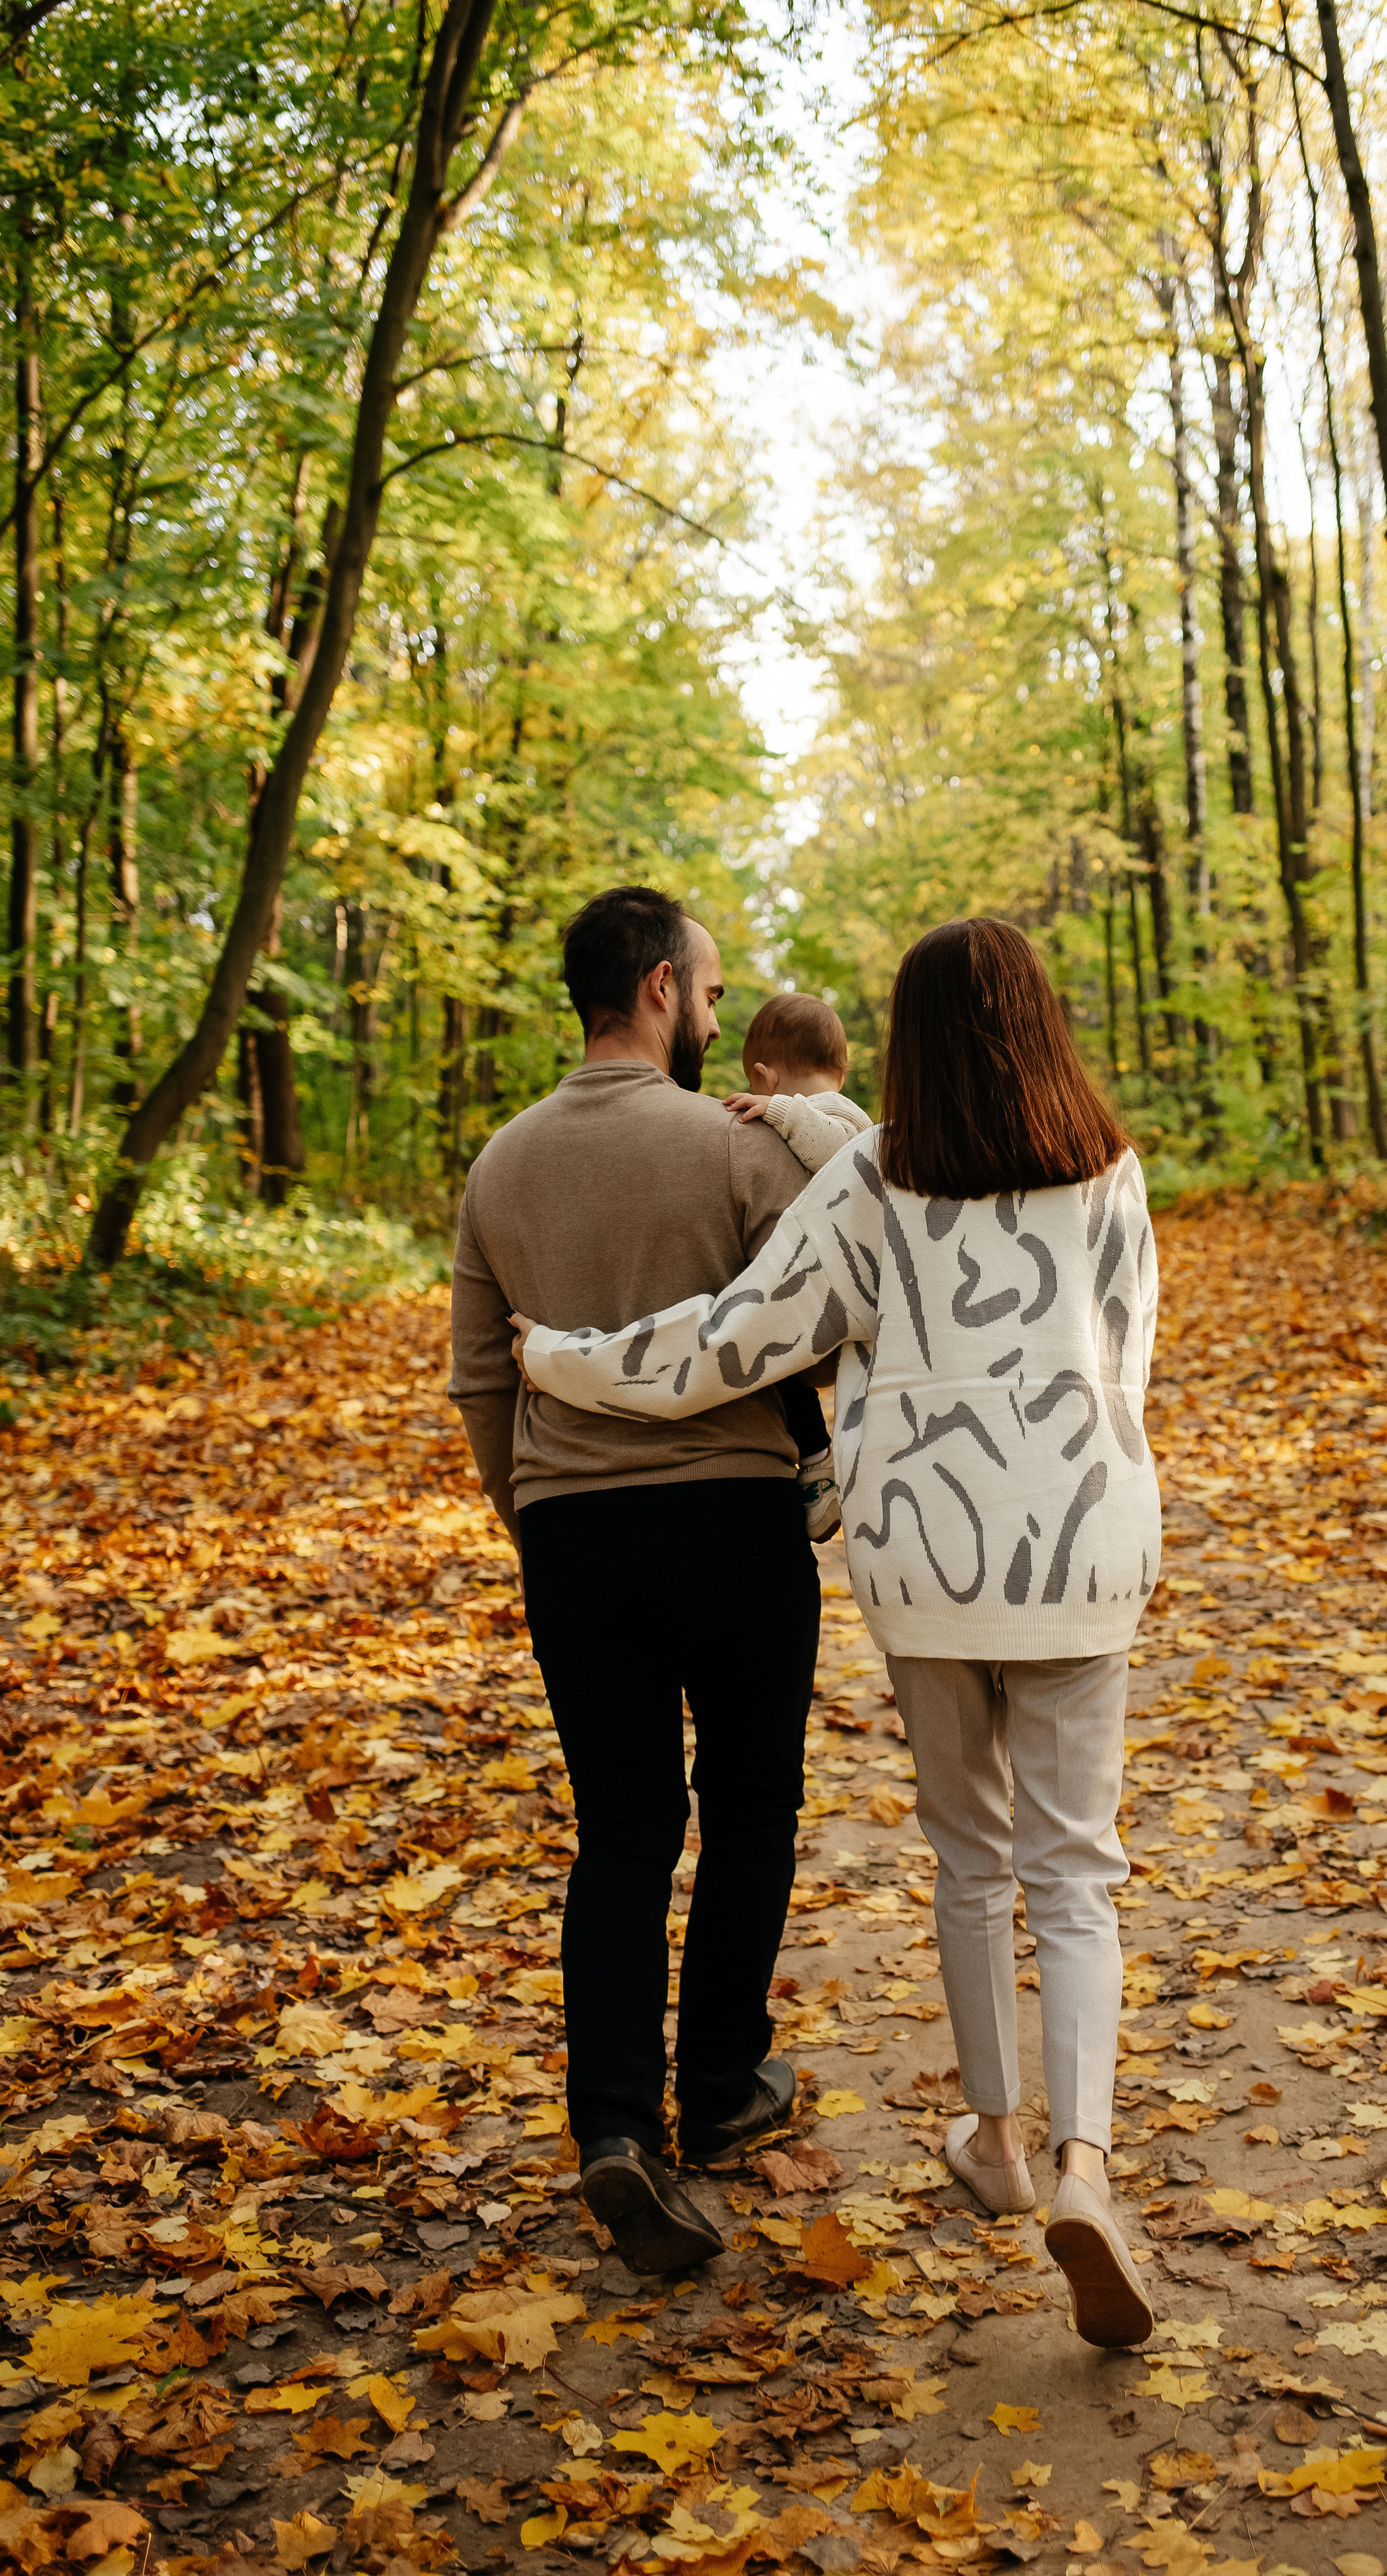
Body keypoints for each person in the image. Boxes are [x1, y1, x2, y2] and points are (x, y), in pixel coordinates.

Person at [509, 917, 1161, 2350]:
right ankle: (1083, 2171)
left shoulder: (871, 1181)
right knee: (1077, 1870)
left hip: (928, 1556)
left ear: (906, 1037)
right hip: (1083, 1544)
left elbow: (734, 1340)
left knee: (970, 1853)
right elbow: (1126, 1359)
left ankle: (993, 2132)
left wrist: (557, 1357)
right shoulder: (1108, 1173)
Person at [448, 885, 824, 2277]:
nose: (720, 1023)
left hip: (572, 1535)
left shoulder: (499, 1163)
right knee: (749, 1802)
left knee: (619, 1826)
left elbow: (480, 1374)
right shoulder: (735, 1152)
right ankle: (720, 2086)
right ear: (661, 986)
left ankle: (613, 2121)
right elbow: (821, 1322)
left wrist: (530, 1505)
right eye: (713, 995)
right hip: (728, 1515)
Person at [721, 992, 872, 1541]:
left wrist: (783, 1111)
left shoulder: (838, 1116)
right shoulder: (838, 1111)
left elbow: (836, 1155)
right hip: (847, 1275)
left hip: (844, 1280)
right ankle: (823, 1465)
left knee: (780, 1363)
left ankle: (821, 1467)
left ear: (766, 1076)